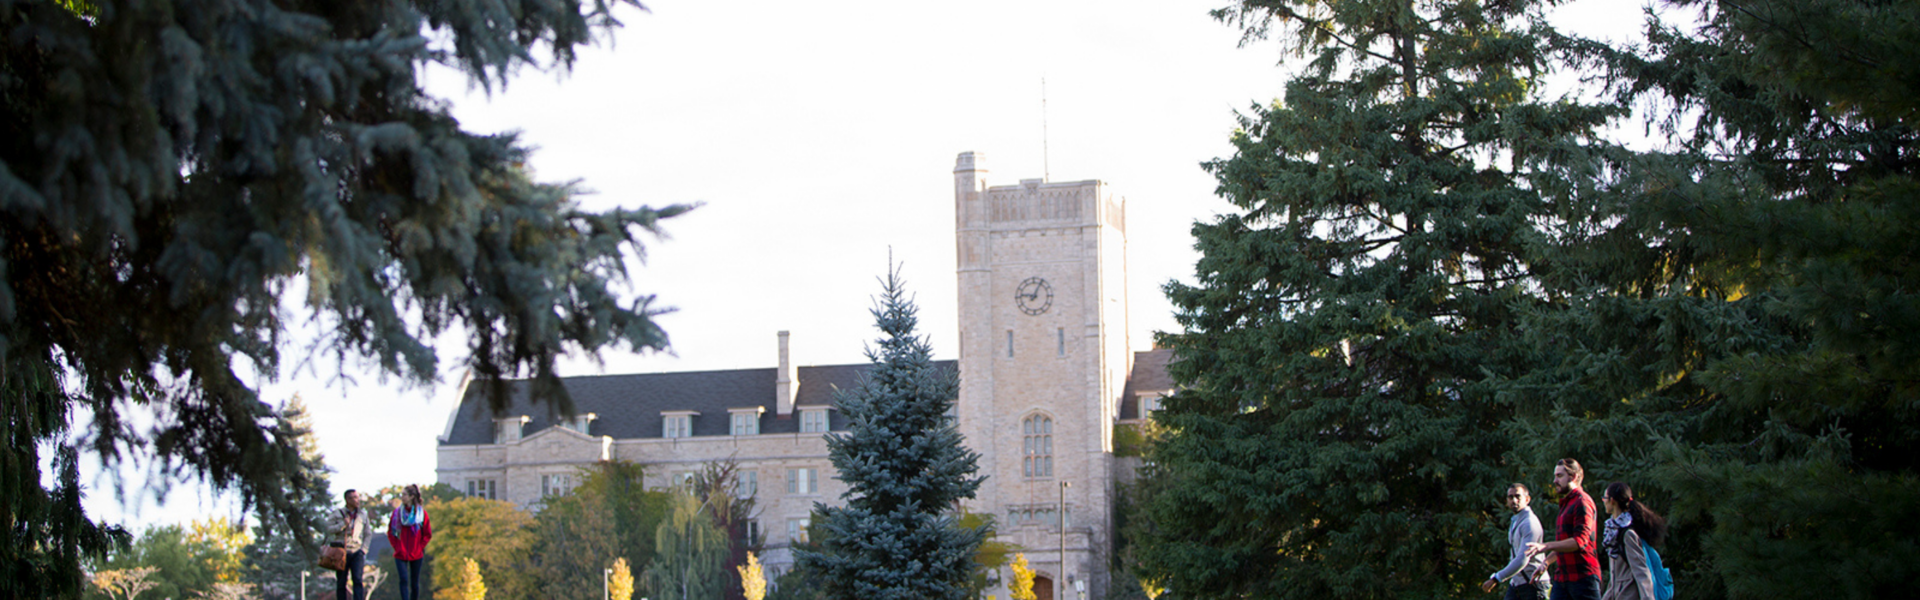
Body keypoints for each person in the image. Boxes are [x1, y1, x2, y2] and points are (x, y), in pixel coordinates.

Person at [1525, 458, 1602, 600]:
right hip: (1563, 578)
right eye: (1555, 476)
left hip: (1583, 578)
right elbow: (1565, 544)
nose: (1555, 481)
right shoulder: (1566, 503)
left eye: (1559, 476)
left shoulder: (1582, 502)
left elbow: (1580, 542)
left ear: (1574, 477)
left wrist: (1546, 546)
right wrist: (1546, 563)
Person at [1600, 482, 1666, 600]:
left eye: (1605, 498)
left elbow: (1641, 571)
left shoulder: (1627, 534)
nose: (1603, 501)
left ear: (1612, 501)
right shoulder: (1613, 532)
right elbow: (1616, 577)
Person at [1483, 483, 1549, 599]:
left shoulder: (1529, 523)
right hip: (1517, 584)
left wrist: (1496, 578)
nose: (1514, 500)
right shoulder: (1516, 521)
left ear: (1527, 499)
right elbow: (1514, 556)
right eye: (1510, 497)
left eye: (1518, 496)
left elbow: (1522, 559)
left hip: (1533, 584)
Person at [387, 484, 434, 600]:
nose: (402, 497)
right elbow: (391, 532)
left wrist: (419, 547)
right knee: (403, 579)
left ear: (412, 496)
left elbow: (427, 534)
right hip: (400, 553)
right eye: (401, 495)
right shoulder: (396, 514)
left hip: (416, 553)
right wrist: (397, 546)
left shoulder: (421, 514)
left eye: (404, 495)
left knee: (415, 582)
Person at [330, 489, 371, 600]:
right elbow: (328, 529)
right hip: (342, 551)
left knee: (357, 580)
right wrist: (342, 524)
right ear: (347, 500)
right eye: (353, 497)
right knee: (341, 582)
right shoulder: (337, 514)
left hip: (357, 551)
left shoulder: (363, 515)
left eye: (357, 497)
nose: (357, 500)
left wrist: (364, 550)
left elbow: (368, 534)